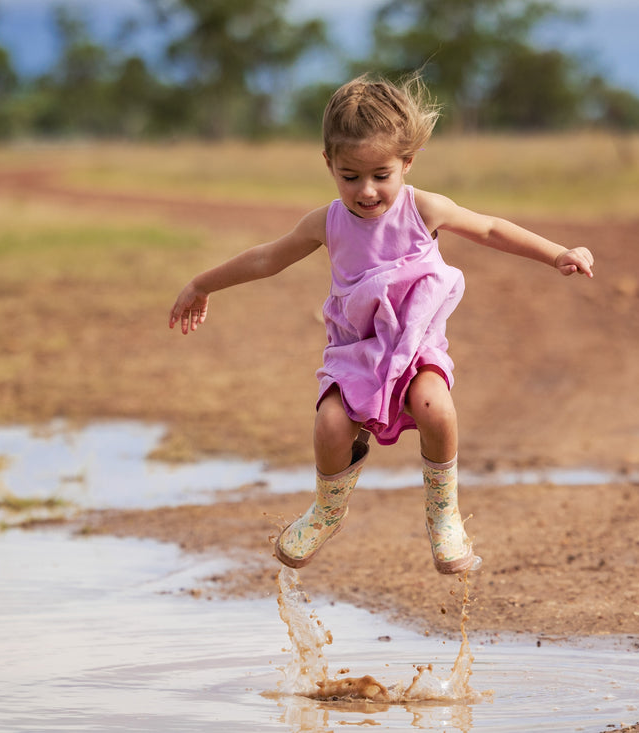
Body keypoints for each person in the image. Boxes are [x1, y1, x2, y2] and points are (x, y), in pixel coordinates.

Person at [169, 73, 594, 575]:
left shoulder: (423, 208)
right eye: (350, 176)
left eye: (381, 175)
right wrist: (202, 284)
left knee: (436, 408)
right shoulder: (325, 222)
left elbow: (491, 228)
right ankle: (328, 510)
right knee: (329, 424)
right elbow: (266, 259)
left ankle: (444, 517)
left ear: (407, 162)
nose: (366, 191)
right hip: (356, 351)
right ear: (329, 164)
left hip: (415, 345)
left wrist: (557, 254)